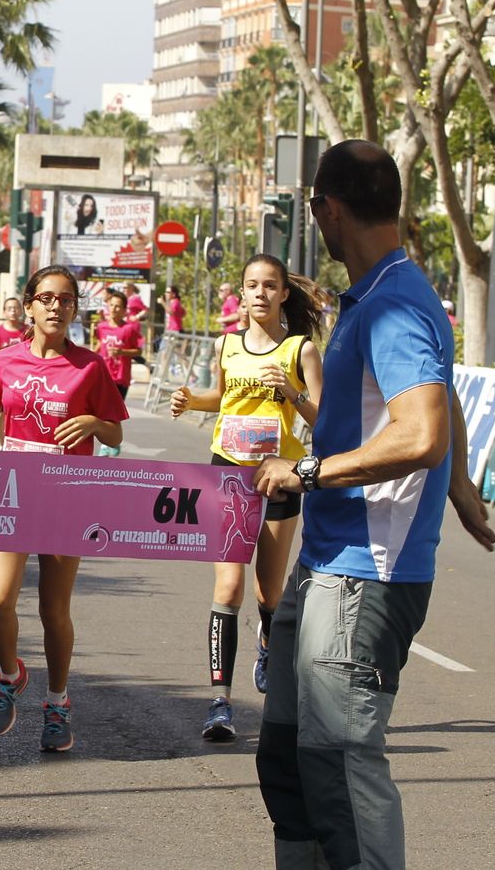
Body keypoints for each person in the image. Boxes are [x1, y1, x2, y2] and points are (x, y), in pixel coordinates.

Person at [251, 141, 495, 869]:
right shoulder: (382, 292)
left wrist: (310, 471)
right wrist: (461, 485)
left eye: (313, 209)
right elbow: (433, 387)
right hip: (326, 564)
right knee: (289, 759)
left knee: (340, 766)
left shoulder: (393, 301)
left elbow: (418, 429)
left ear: (328, 209)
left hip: (365, 574)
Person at [170, 255, 325, 742]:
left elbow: (327, 421)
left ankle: (266, 638)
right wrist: (190, 400)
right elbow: (223, 397)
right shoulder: (226, 345)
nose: (259, 293)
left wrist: (294, 395)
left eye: (269, 286)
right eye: (251, 286)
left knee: (269, 593)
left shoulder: (302, 350)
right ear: (242, 294)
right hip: (228, 475)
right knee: (228, 589)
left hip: (279, 476)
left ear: (283, 294)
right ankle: (220, 703)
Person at [0, 265, 128, 751]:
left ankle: (58, 704)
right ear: (29, 304)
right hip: (13, 496)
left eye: (66, 300)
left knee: (52, 609)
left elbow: (115, 433)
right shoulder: (4, 360)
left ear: (74, 308)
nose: (56, 307)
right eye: (47, 298)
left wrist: (90, 422)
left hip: (68, 497)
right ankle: (9, 675)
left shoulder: (90, 366)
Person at [94, 289, 143, 399]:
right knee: (99, 411)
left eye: (117, 306)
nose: (113, 309)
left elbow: (139, 351)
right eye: (111, 305)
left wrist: (122, 352)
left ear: (124, 310)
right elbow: (100, 343)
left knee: (115, 414)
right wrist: (91, 356)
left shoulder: (129, 329)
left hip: (121, 377)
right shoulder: (102, 326)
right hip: (103, 374)